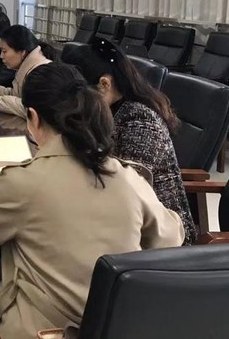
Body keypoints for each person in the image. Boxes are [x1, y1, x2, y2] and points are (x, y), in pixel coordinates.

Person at [0, 63, 184, 339]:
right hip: (116, 327)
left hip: (42, 330)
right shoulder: (128, 177)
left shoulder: (24, 182)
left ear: (33, 117)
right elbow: (172, 236)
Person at [64, 39, 197, 245]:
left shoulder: (140, 120)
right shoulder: (109, 109)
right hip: (124, 222)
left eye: (77, 98)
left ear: (104, 84)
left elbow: (125, 192)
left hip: (161, 238)